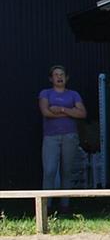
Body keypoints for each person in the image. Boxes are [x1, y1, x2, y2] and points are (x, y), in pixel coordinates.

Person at [37, 65, 86, 213]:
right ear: (51, 78)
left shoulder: (74, 94)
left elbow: (82, 114)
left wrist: (62, 109)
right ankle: (47, 206)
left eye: (62, 74)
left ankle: (65, 206)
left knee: (67, 171)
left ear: (67, 77)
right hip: (51, 137)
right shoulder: (45, 93)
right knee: (50, 170)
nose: (59, 77)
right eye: (56, 74)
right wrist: (71, 112)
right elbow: (46, 112)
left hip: (70, 136)